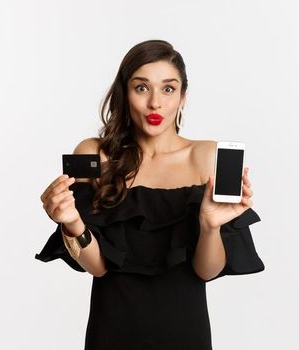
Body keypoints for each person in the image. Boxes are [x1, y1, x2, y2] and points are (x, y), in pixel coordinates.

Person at [35, 39, 264, 350]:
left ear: (183, 97)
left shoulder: (209, 157)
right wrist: (72, 222)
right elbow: (99, 267)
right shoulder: (95, 154)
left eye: (168, 89)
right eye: (142, 88)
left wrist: (210, 225)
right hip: (111, 331)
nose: (155, 103)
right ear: (125, 93)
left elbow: (206, 271)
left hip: (186, 333)